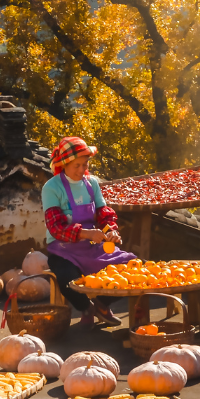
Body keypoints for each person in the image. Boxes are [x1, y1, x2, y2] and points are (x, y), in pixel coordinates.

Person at [41, 136, 137, 328]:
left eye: (84, 165)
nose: (81, 170)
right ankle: (86, 308)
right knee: (67, 279)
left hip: (93, 246)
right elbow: (56, 228)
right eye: (76, 165)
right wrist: (87, 234)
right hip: (63, 249)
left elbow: (103, 215)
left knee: (133, 266)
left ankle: (101, 304)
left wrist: (111, 231)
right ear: (64, 163)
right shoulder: (51, 187)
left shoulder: (91, 183)